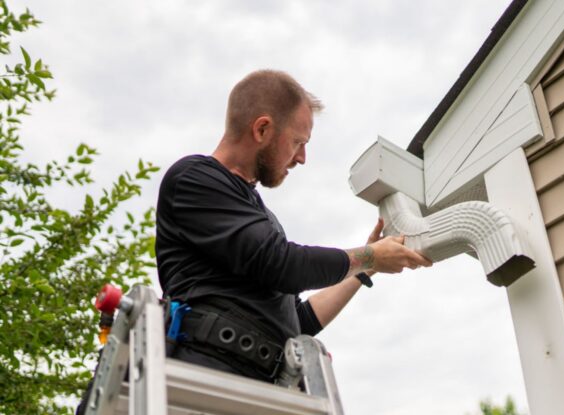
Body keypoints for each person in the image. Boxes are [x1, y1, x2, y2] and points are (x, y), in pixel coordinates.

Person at [154, 69, 432, 383]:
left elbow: (298, 322)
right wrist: (369, 255)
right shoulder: (195, 179)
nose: (302, 157)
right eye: (298, 141)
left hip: (262, 386)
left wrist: (367, 269)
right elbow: (282, 264)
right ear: (262, 129)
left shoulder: (258, 215)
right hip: (204, 379)